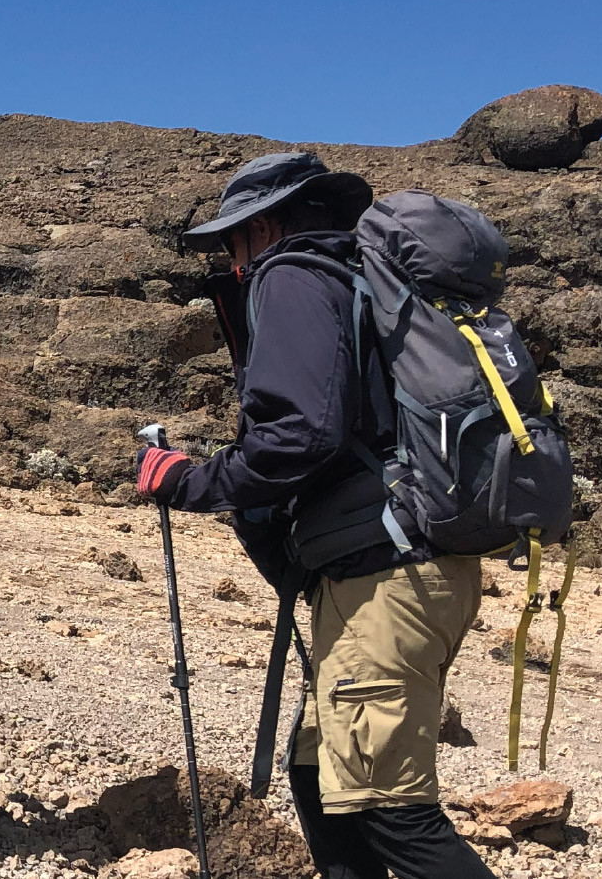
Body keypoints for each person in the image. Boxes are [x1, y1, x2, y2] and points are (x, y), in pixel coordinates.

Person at [134, 152, 497, 879]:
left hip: (384, 579)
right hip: (404, 568)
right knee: (321, 777)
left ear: (262, 226)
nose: (231, 261)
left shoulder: (295, 276)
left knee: (389, 811)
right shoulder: (366, 281)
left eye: (232, 242)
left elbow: (299, 432)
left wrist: (193, 481)